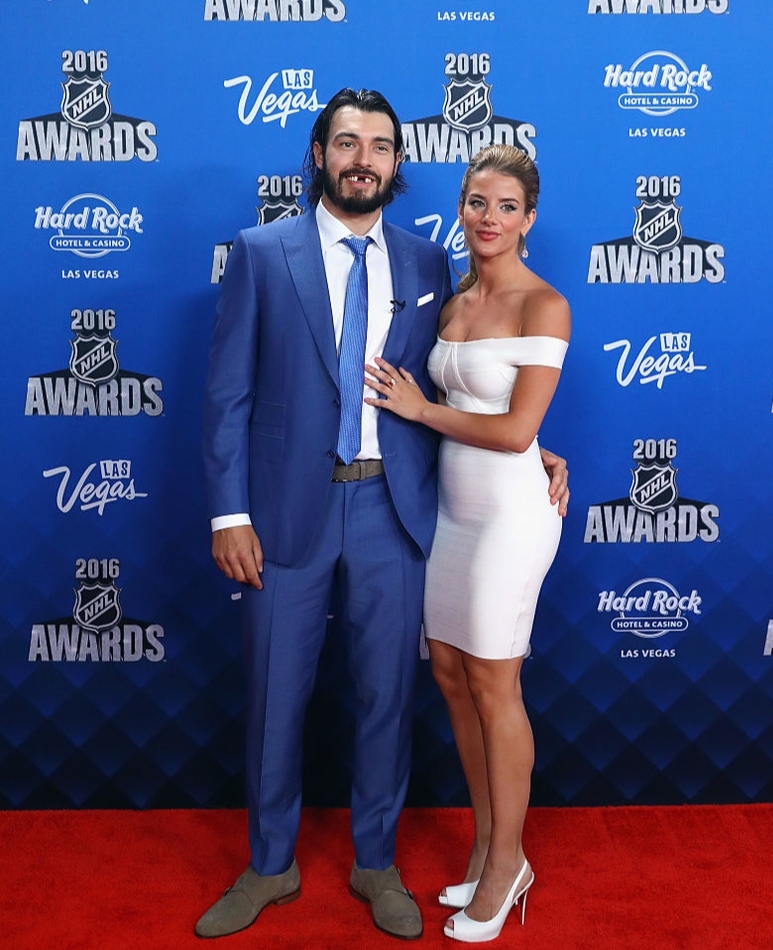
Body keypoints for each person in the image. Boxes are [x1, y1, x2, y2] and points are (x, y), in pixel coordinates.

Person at [199, 90, 569, 942]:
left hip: (396, 509)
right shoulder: (260, 253)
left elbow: (459, 384)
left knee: (384, 697)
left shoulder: (426, 264)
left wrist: (539, 447)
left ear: (398, 163)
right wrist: (228, 514)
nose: (363, 157)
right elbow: (226, 397)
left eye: (380, 145)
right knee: (272, 696)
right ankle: (268, 866)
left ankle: (376, 864)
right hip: (285, 511)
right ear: (320, 154)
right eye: (346, 143)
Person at [364, 144, 570, 943]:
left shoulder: (542, 304)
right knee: (450, 675)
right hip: (450, 513)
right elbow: (496, 420)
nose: (490, 218)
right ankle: (488, 848)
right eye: (477, 202)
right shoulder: (450, 302)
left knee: (495, 683)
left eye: (507, 207)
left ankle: (508, 861)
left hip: (513, 519)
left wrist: (422, 412)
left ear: (529, 219)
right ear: (460, 206)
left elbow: (518, 430)